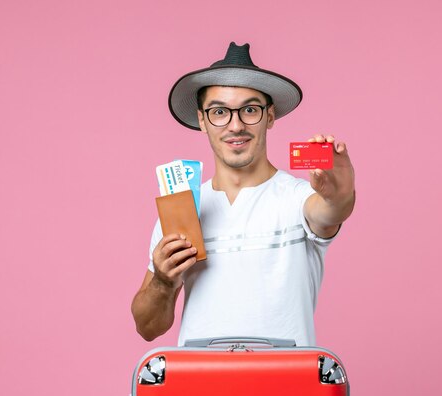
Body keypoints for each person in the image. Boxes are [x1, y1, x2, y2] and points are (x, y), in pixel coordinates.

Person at [131, 42, 356, 346]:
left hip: (286, 387)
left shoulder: (297, 199)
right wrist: (163, 280)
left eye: (250, 110)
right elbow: (148, 328)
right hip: (202, 387)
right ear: (202, 120)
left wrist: (339, 191)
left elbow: (331, 210)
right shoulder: (182, 210)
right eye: (219, 112)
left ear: (270, 116)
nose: (235, 125)